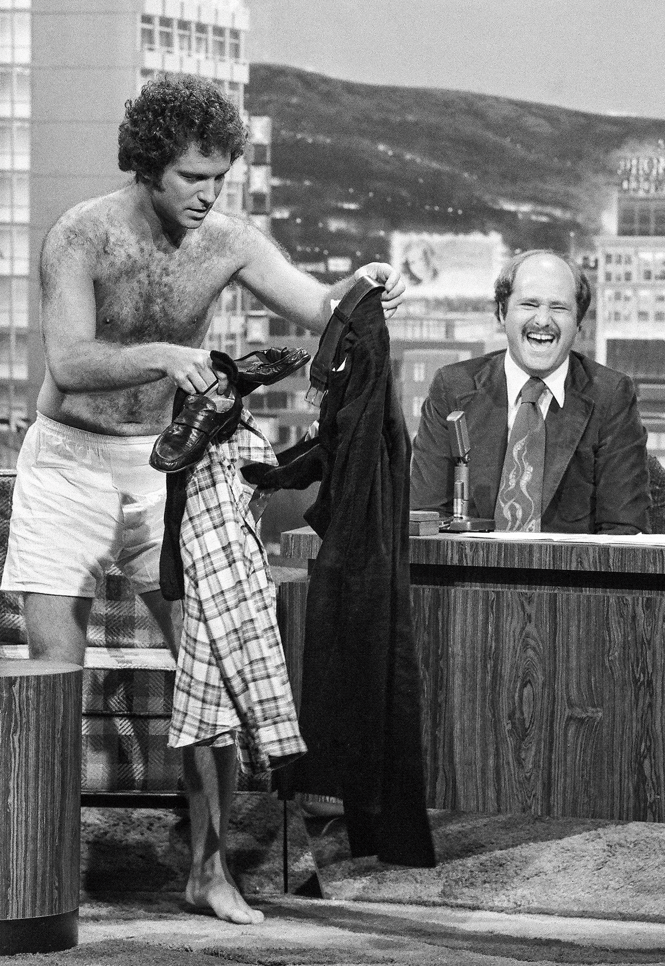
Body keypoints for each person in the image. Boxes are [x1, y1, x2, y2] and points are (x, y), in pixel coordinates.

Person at [0, 74, 405, 924]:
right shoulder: (82, 236)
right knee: (50, 680)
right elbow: (70, 362)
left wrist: (361, 287)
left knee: (213, 672)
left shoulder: (228, 238)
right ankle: (40, 872)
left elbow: (318, 305)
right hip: (68, 464)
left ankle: (208, 870)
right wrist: (160, 354)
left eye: (219, 176)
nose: (208, 194)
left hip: (167, 470)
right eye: (192, 177)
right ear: (149, 167)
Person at [410, 249, 650, 533]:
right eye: (529, 304)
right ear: (502, 313)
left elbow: (624, 532)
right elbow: (424, 519)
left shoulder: (611, 396)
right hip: (466, 573)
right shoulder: (452, 387)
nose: (542, 320)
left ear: (579, 324)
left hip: (569, 575)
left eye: (559, 308)